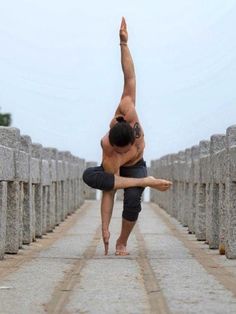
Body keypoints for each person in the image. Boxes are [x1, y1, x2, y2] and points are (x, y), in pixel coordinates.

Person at [83, 17, 172, 256]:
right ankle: (145, 181)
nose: (119, 153)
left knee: (133, 201)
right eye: (117, 150)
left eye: (122, 150)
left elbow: (129, 76)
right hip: (121, 174)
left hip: (137, 166)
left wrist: (123, 44)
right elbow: (109, 190)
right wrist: (104, 227)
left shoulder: (128, 107)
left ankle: (122, 241)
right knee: (97, 178)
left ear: (132, 138)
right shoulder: (109, 149)